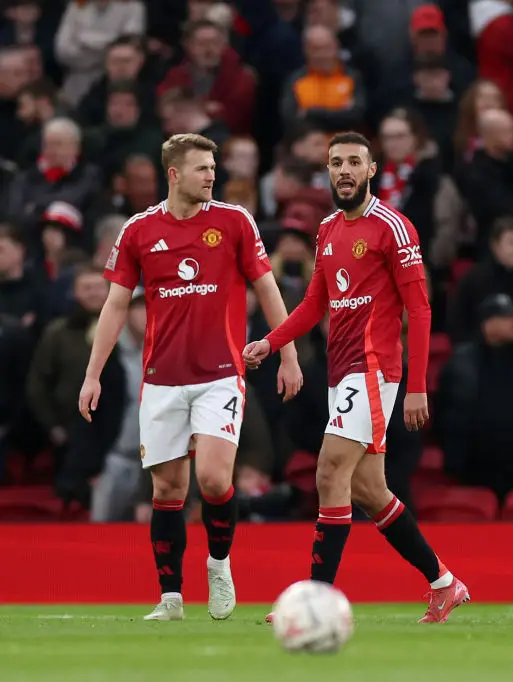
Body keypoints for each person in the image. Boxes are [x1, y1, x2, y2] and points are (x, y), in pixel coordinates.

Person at [243, 131, 469, 624]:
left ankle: (315, 599)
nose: (343, 170)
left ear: (371, 170)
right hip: (341, 371)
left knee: (329, 471)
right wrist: (272, 341)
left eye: (354, 162)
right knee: (369, 490)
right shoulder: (326, 230)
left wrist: (416, 386)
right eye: (336, 162)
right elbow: (314, 303)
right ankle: (444, 583)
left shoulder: (392, 226)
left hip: (373, 369)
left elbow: (421, 309)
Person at [78, 133, 304, 622]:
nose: (212, 176)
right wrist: (92, 374)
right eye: (203, 168)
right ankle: (171, 598)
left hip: (221, 373)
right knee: (167, 491)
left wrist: (286, 353)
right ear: (175, 174)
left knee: (214, 478)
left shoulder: (234, 221)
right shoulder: (138, 231)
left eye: (213, 167)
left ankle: (219, 564)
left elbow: (266, 287)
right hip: (161, 379)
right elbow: (116, 304)